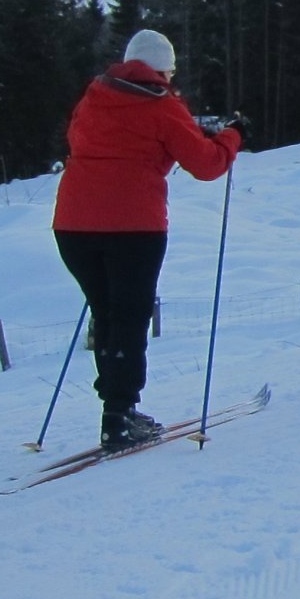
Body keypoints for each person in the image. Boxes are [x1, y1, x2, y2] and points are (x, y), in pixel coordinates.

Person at [51, 29, 245, 451]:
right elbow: (207, 165)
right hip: (132, 226)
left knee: (107, 314)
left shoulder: (93, 98)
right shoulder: (162, 105)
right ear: (161, 71)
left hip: (73, 224)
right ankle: (119, 418)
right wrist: (232, 136)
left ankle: (115, 409)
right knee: (129, 317)